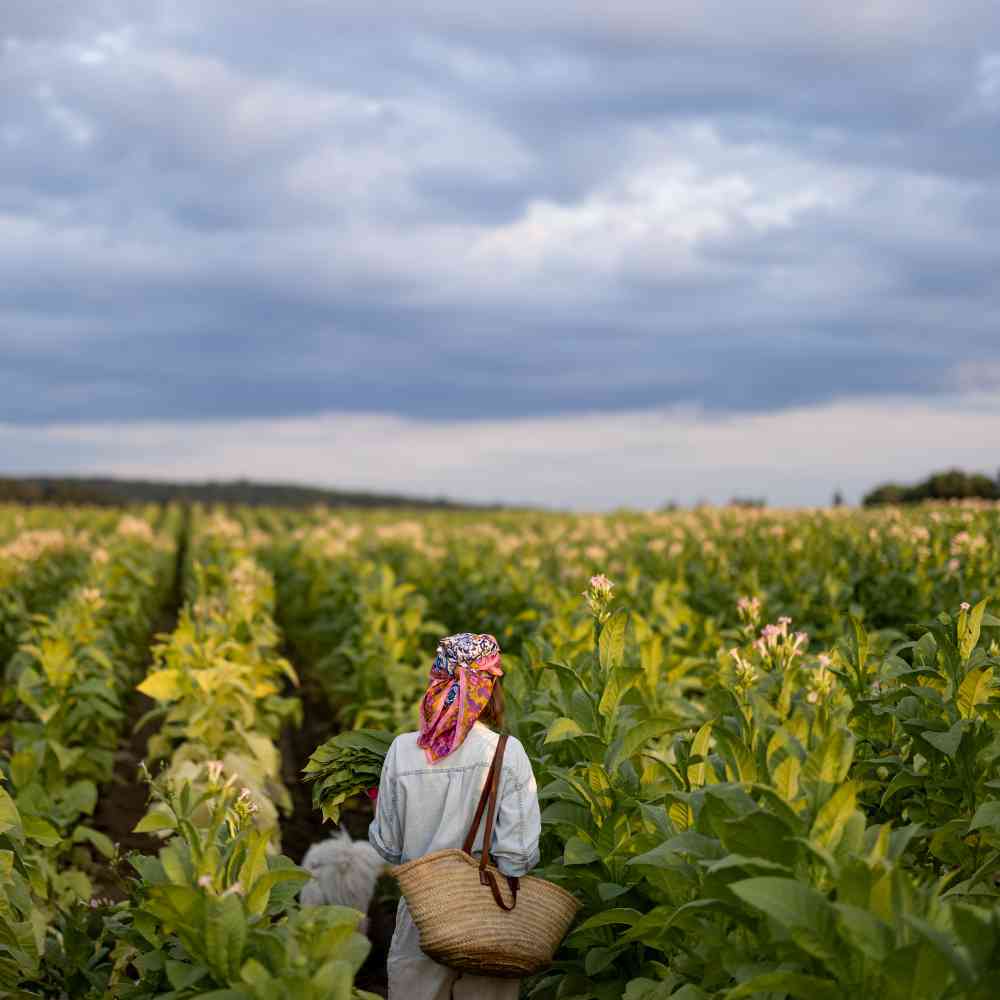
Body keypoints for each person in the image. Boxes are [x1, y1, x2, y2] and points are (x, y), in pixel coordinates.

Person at [369, 632, 541, 1000]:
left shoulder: (401, 751)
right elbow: (517, 857)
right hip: (488, 916)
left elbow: (388, 847)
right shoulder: (506, 753)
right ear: (488, 688)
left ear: (437, 683)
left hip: (422, 913)